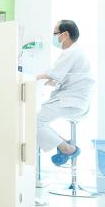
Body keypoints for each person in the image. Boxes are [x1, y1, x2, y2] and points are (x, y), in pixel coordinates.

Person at [36, 20, 94, 166]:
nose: (54, 37)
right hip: (74, 99)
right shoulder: (77, 51)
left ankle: (67, 149)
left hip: (72, 100)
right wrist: (53, 80)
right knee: (39, 121)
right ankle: (64, 144)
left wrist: (35, 77)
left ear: (65, 34)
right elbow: (61, 76)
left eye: (55, 33)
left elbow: (53, 73)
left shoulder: (72, 51)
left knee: (35, 122)